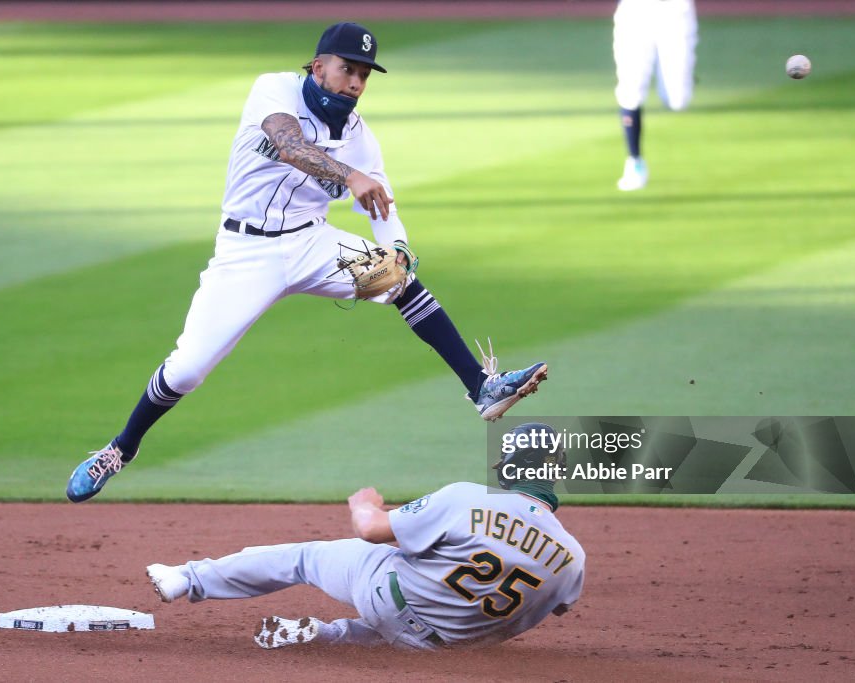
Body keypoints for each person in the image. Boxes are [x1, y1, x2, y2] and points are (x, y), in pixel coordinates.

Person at [65, 22, 548, 503]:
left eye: (364, 74)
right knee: (188, 370)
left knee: (399, 279)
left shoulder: (359, 135)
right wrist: (350, 175)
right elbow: (288, 144)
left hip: (310, 244)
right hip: (244, 252)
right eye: (347, 69)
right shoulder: (273, 89)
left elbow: (382, 206)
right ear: (318, 67)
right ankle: (119, 449)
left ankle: (481, 387)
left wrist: (397, 246)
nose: (356, 82)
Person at [145, 423, 585, 650]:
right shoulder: (573, 558)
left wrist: (364, 504)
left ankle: (188, 578)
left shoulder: (469, 499)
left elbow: (373, 532)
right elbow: (556, 605)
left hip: (386, 598)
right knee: (432, 620)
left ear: (509, 468)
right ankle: (325, 635)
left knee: (306, 558)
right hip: (440, 648)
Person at [613, 0, 698, 191]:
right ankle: (634, 161)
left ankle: (680, 72)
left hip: (675, 10)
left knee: (678, 100)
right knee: (630, 89)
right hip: (634, 11)